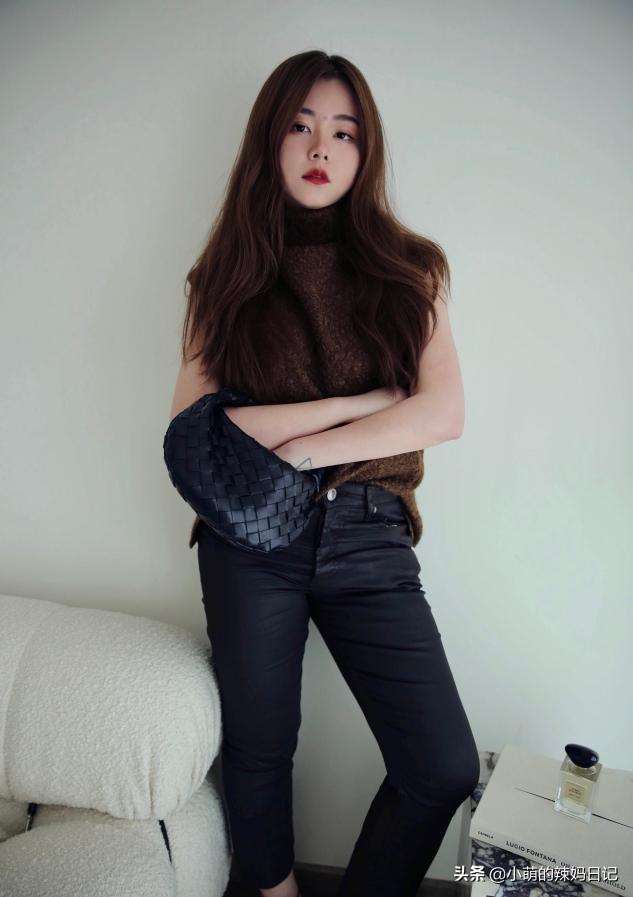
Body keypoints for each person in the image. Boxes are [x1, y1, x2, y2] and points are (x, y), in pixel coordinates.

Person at [168, 50, 480, 897]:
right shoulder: (223, 280)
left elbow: (442, 412)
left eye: (343, 132)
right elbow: (195, 434)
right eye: (301, 126)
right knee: (260, 747)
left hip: (369, 533)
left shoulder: (410, 267)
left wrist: (299, 446)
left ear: (364, 151)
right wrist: (357, 404)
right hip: (248, 537)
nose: (320, 148)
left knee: (441, 765)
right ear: (269, 139)